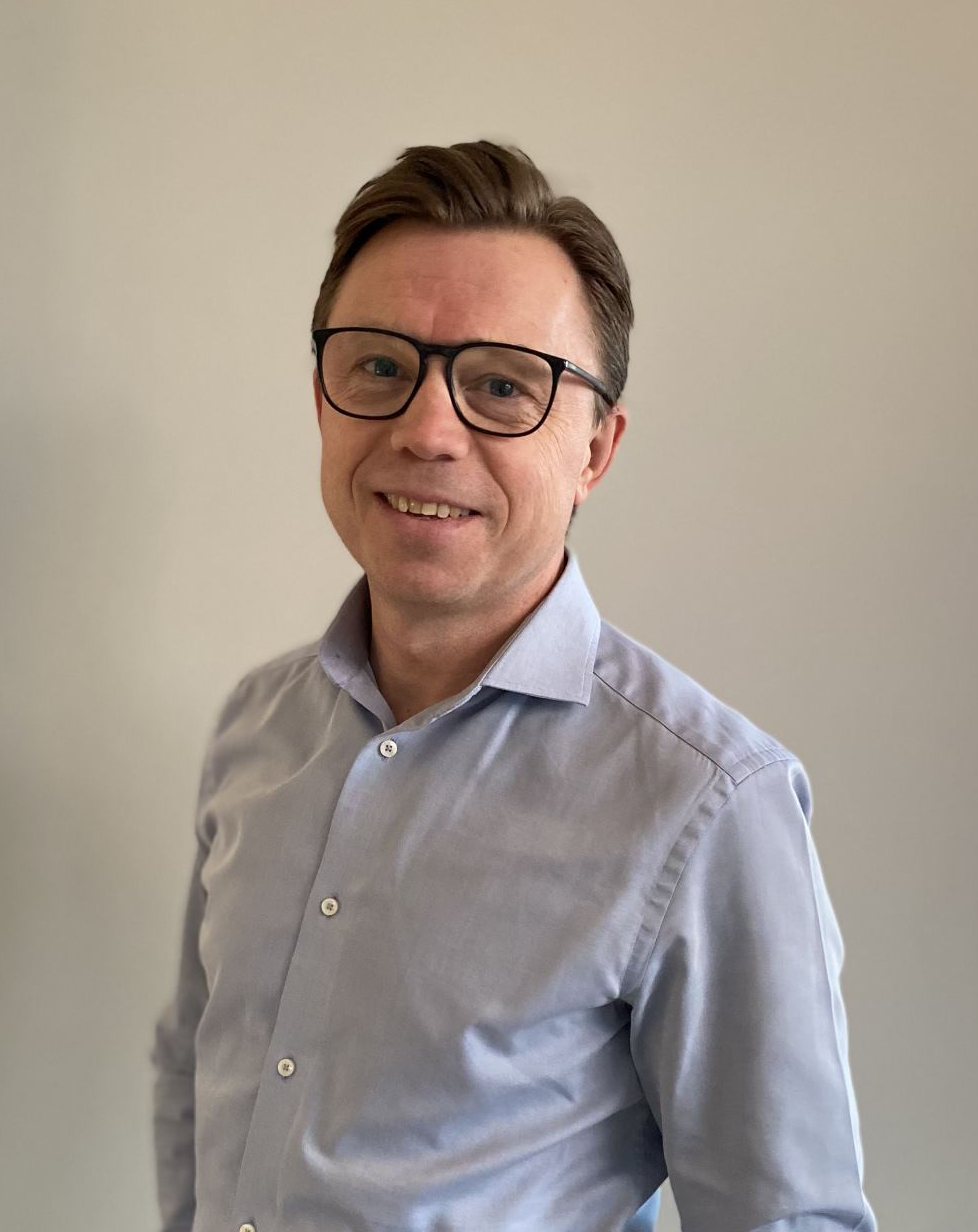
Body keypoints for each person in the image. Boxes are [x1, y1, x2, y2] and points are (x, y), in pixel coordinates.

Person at [150, 139, 877, 1232]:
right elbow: (195, 1070)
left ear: (595, 450)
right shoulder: (258, 726)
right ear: (321, 400)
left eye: (501, 385)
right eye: (379, 367)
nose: (426, 431)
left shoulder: (708, 803)